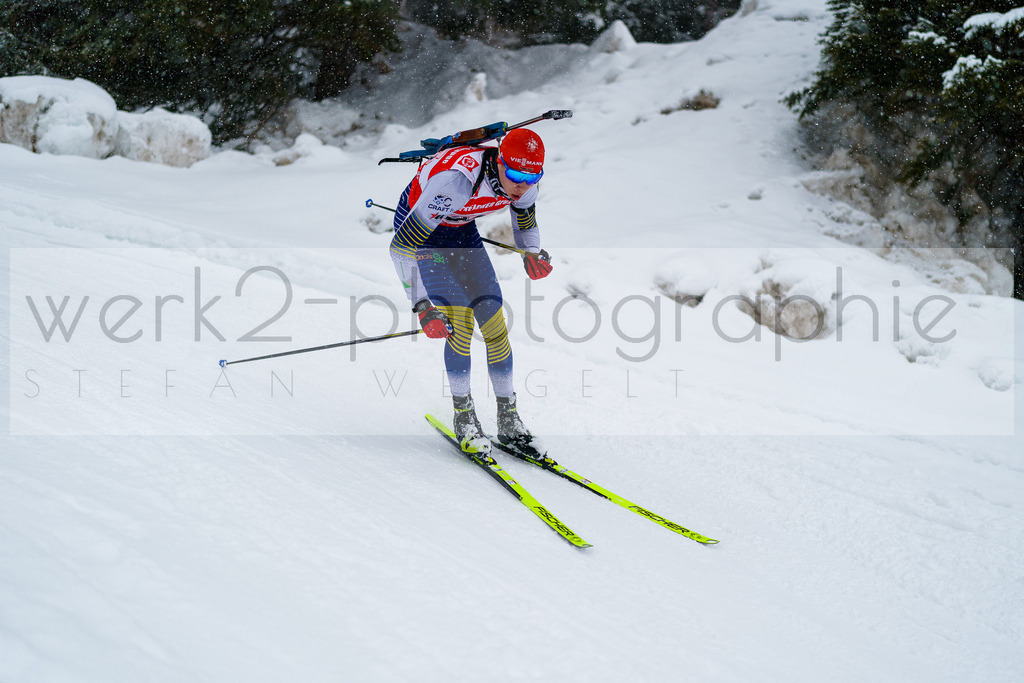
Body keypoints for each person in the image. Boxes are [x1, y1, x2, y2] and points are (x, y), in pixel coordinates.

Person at [389, 128, 553, 456]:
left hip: (462, 231)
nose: (522, 184)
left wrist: (533, 252)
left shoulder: (525, 185)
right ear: (499, 162)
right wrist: (422, 306)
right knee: (460, 324)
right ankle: (464, 417)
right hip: (426, 239)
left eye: (532, 176)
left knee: (495, 325)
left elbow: (526, 226)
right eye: (515, 173)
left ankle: (508, 420)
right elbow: (401, 247)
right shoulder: (456, 183)